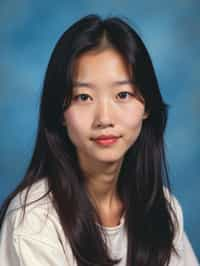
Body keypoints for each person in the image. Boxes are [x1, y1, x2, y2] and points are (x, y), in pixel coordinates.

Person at [0, 14, 199, 266]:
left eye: (123, 94)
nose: (104, 118)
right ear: (60, 113)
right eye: (84, 97)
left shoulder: (162, 209)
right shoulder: (34, 221)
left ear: (147, 106)